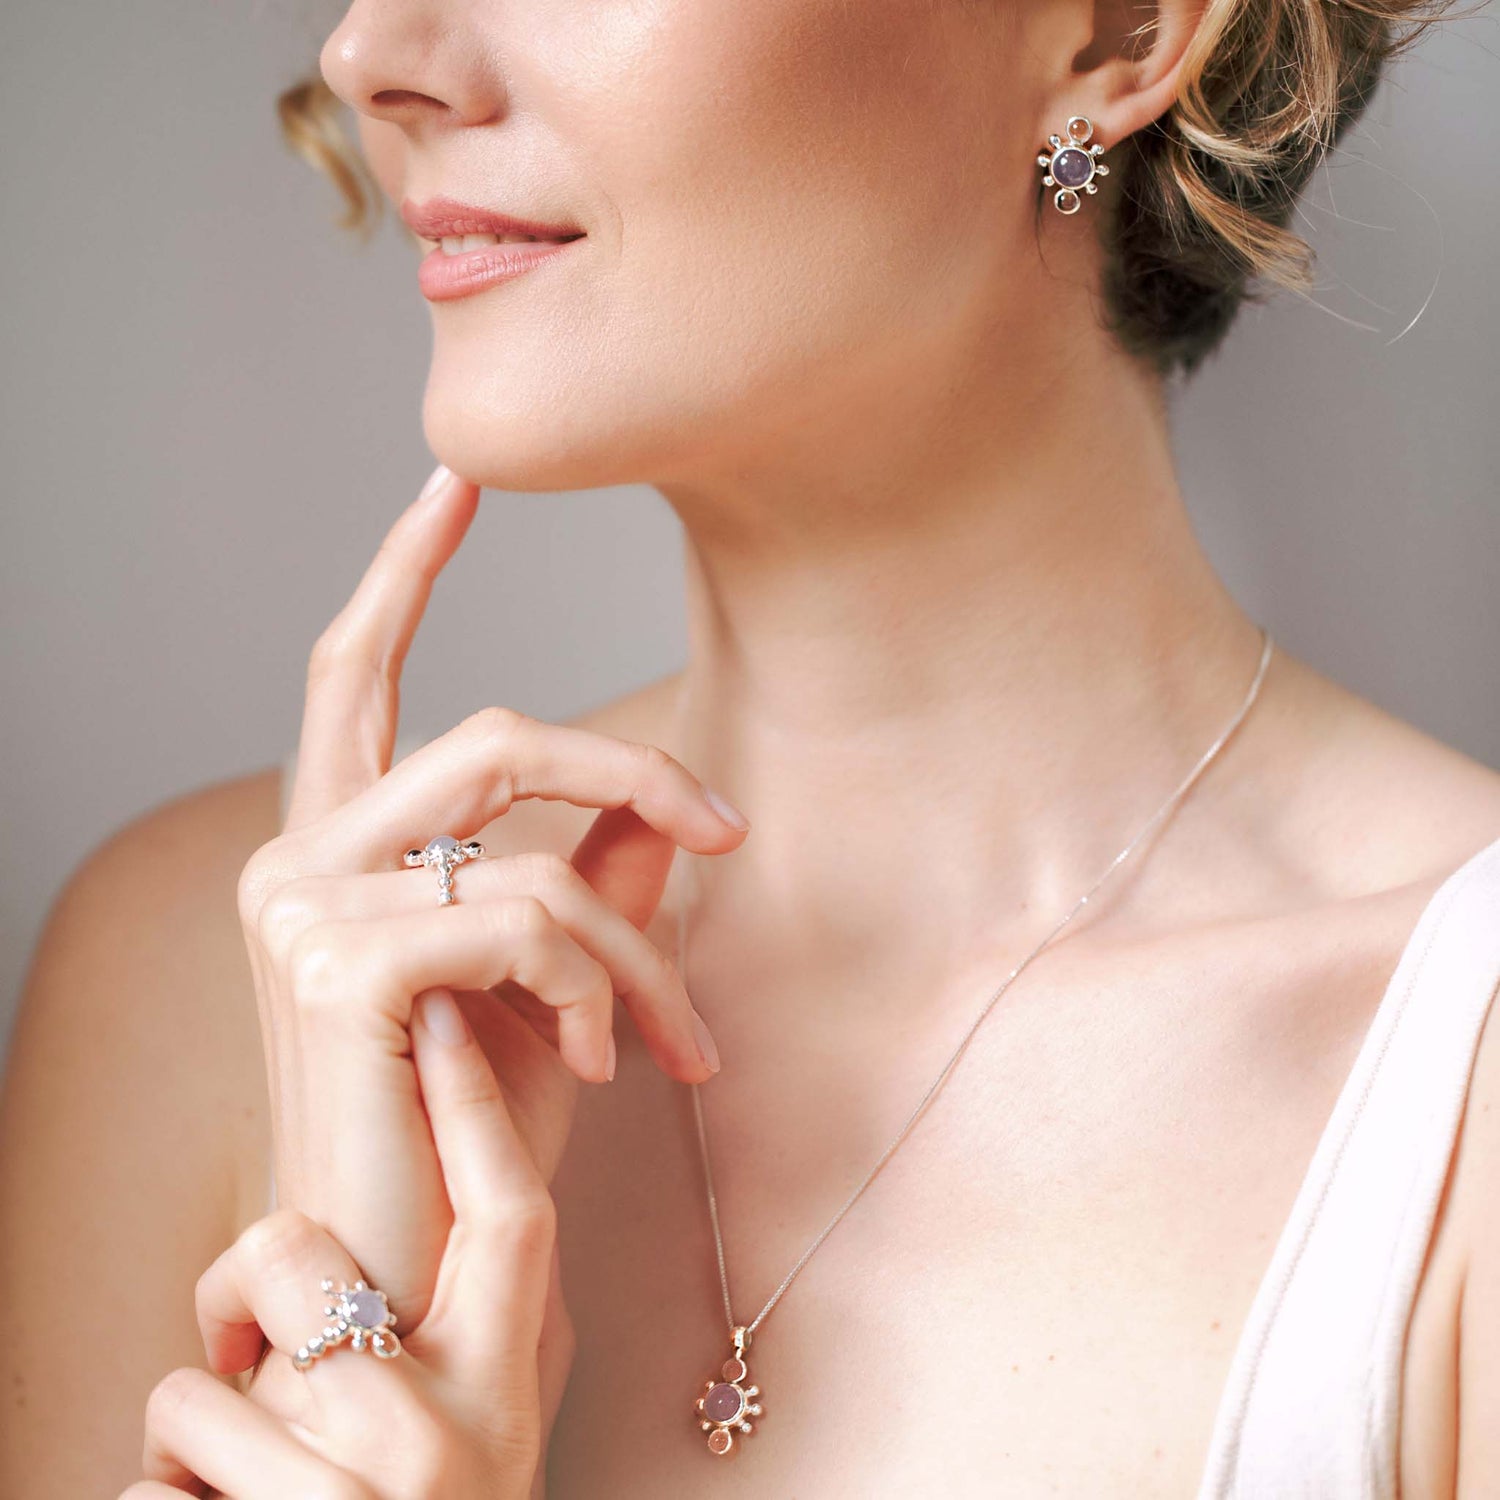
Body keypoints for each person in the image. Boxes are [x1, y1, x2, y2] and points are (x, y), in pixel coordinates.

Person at [2, 0, 1497, 1493]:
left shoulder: (1460, 1094)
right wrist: (360, 1342)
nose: (368, 55)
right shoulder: (219, 981)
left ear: (1118, 32)